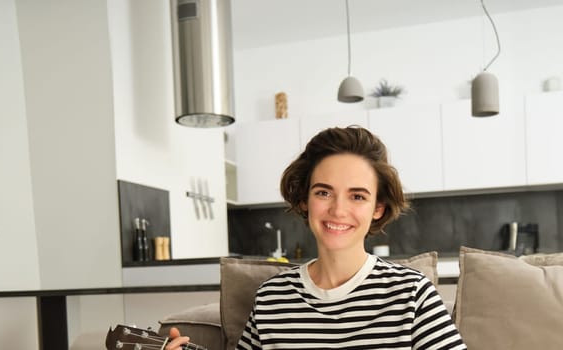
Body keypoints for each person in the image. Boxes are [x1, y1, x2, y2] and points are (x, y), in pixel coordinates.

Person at [167, 126, 465, 349]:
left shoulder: (411, 294)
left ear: (378, 208)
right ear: (304, 200)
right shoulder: (272, 298)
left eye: (357, 196)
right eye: (324, 192)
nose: (338, 209)